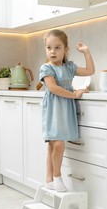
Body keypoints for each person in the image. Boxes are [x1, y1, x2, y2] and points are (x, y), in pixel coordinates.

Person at [39, 29, 95, 192]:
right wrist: (74, 93)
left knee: (53, 146)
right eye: (49, 48)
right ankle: (57, 177)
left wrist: (86, 52)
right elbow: (54, 88)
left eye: (57, 47)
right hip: (54, 110)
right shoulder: (46, 68)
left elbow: (90, 71)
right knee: (58, 145)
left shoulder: (69, 67)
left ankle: (49, 179)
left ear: (65, 49)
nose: (53, 51)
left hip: (66, 109)